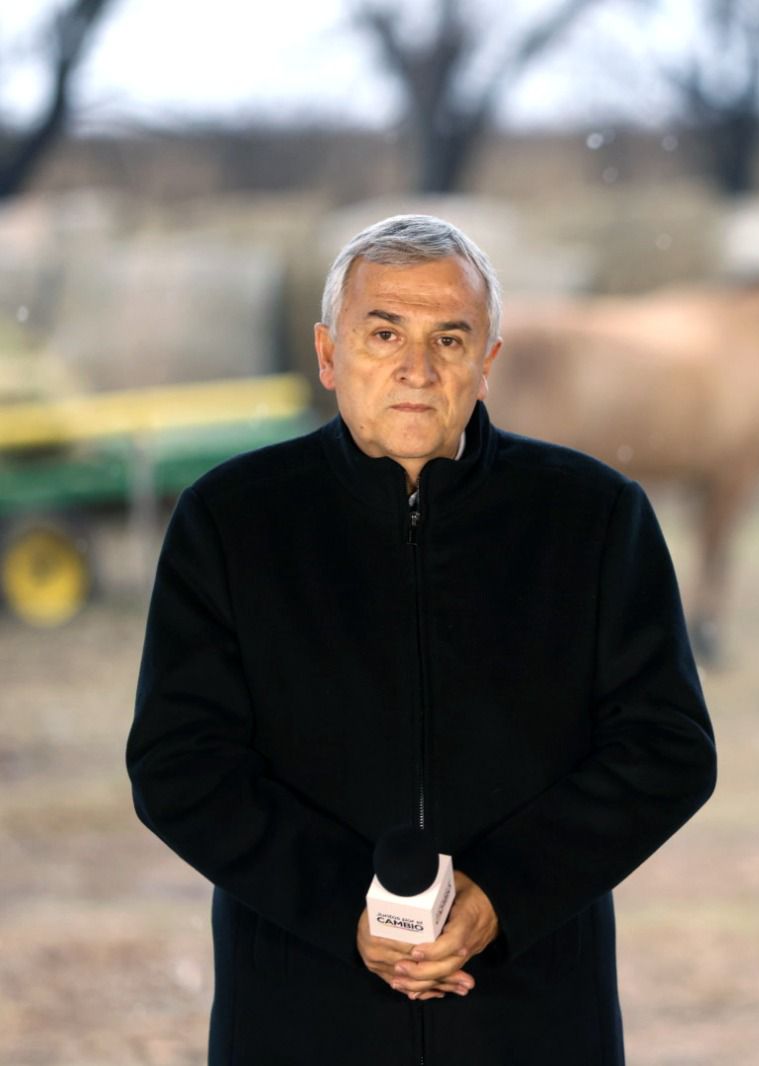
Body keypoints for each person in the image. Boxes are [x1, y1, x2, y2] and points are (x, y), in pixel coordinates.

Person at [127, 214, 716, 1065]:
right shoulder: (230, 522)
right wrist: (346, 909)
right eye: (383, 334)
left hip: (534, 1020)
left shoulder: (593, 518)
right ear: (329, 355)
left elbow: (667, 750)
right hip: (299, 1018)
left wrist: (503, 896)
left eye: (450, 337)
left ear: (489, 361)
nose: (416, 368)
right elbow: (180, 765)